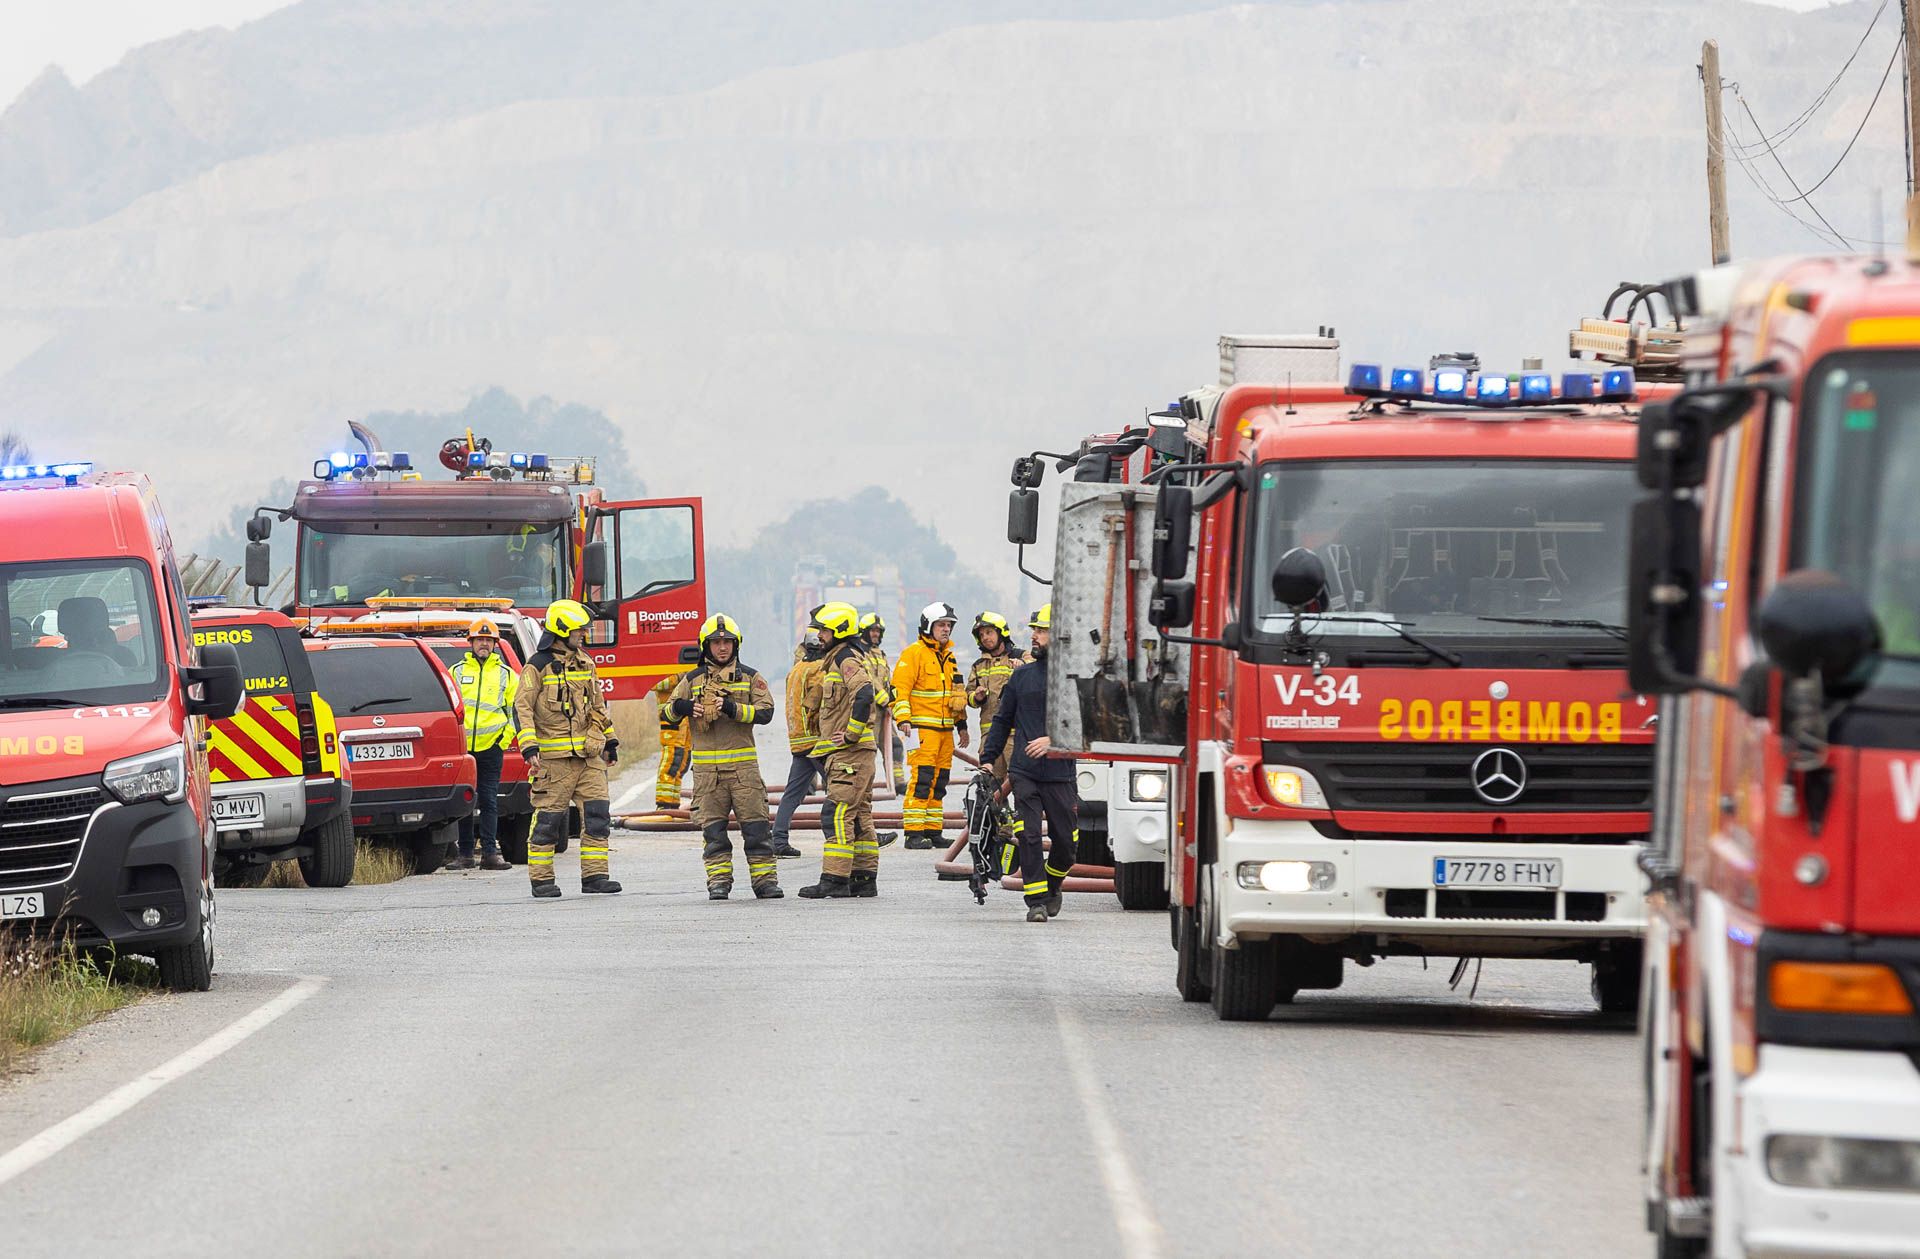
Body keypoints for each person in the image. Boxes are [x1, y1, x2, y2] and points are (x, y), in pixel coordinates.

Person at [667, 614, 782, 900]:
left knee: (757, 829)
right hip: (708, 776)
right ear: (705, 646)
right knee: (713, 833)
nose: (722, 647)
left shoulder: (751, 678)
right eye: (716, 643)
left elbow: (766, 712)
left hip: (744, 772)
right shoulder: (691, 680)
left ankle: (765, 882)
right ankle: (718, 881)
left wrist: (732, 708)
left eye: (727, 642)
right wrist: (683, 707)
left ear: (736, 645)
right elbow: (667, 712)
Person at [978, 604, 1077, 923]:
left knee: (1067, 842)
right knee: (1029, 835)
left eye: (1042, 630)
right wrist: (988, 761)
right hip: (1025, 772)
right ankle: (1036, 902)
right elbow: (1001, 720)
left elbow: (1088, 724)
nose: (1034, 635)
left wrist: (1054, 740)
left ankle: (1052, 885)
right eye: (1034, 630)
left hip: (1060, 773)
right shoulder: (1021, 677)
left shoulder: (1075, 679)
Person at [515, 599, 620, 899]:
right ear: (562, 631)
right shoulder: (537, 666)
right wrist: (529, 747)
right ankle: (542, 880)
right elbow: (521, 708)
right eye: (579, 630)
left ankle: (595, 877)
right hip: (554, 762)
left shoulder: (586, 663)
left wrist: (610, 741)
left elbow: (598, 706)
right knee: (548, 822)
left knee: (598, 817)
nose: (584, 634)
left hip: (589, 757)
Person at [799, 601, 881, 899]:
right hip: (857, 754)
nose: (819, 636)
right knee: (859, 816)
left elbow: (865, 693)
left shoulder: (845, 658)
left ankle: (834, 879)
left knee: (836, 813)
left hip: (851, 754)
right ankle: (863, 878)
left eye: (824, 631)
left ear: (840, 631)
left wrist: (850, 734)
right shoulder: (841, 657)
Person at [891, 601, 968, 849]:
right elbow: (899, 689)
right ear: (928, 626)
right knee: (922, 780)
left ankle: (933, 831)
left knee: (939, 782)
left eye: (948, 625)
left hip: (944, 732)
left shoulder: (949, 657)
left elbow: (956, 695)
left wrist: (962, 726)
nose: (946, 629)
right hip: (921, 730)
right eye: (941, 625)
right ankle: (913, 833)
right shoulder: (913, 654)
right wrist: (903, 719)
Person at [447, 619, 518, 870]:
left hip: (491, 748)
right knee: (465, 801)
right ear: (471, 642)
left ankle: (490, 854)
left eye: (488, 640)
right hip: (464, 750)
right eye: (480, 640)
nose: (484, 644)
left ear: (495, 644)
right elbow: (451, 709)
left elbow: (515, 712)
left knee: (489, 801)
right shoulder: (456, 672)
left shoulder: (506, 675)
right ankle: (465, 854)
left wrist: (502, 741)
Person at [772, 628, 829, 859]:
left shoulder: (796, 669)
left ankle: (778, 840)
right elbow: (824, 703)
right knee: (841, 790)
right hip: (817, 741)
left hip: (799, 742)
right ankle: (849, 836)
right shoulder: (820, 670)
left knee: (792, 794)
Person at [857, 613, 900, 849]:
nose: (875, 634)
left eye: (878, 631)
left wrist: (893, 697)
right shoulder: (860, 653)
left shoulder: (881, 655)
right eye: (872, 631)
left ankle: (898, 783)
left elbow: (886, 680)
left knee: (895, 746)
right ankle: (868, 784)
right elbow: (869, 680)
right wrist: (885, 699)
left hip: (885, 712)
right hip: (871, 713)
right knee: (869, 750)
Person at [965, 612, 1018, 779]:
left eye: (989, 632)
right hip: (989, 738)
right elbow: (969, 695)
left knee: (1020, 782)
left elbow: (1036, 677)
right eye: (981, 635)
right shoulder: (978, 666)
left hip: (1015, 736)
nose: (985, 638)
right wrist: (977, 697)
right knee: (991, 785)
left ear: (1001, 632)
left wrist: (1022, 668)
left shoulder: (1020, 657)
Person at [650, 670, 692, 812]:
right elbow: (654, 684)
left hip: (686, 720)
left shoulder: (684, 664)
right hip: (670, 720)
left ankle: (673, 804)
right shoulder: (661, 664)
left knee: (682, 762)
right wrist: (680, 677)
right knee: (671, 761)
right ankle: (664, 804)